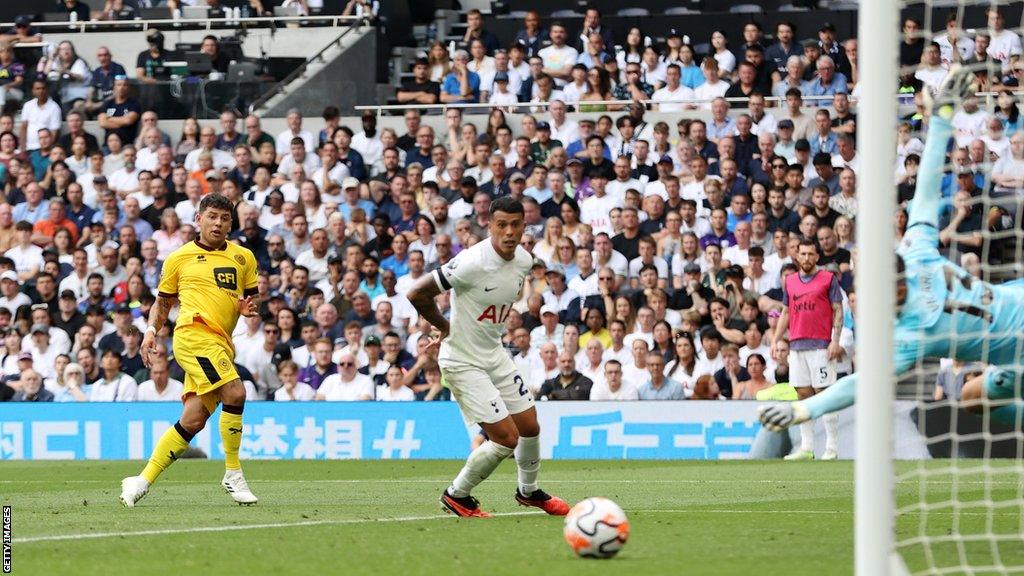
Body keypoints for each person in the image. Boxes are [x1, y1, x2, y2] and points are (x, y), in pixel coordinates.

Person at [762, 68, 1024, 439]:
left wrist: (805, 408)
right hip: (1016, 315)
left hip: (1018, 340)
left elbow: (859, 386)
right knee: (970, 398)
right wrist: (944, 116)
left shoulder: (911, 330)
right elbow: (930, 178)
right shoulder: (915, 254)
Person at [407, 196, 569, 518]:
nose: (509, 232)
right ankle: (457, 494)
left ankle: (529, 491)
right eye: (502, 225)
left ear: (524, 226)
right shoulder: (472, 262)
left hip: (494, 354)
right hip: (462, 361)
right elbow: (417, 293)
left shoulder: (524, 260)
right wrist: (444, 326)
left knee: (530, 425)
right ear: (490, 226)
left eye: (515, 225)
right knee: (506, 438)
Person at [119, 194, 260, 508]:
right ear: (199, 219)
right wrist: (151, 331)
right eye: (212, 217)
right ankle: (233, 473)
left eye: (225, 218)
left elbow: (251, 299)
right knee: (236, 393)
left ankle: (140, 481)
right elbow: (163, 302)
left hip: (222, 343)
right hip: (193, 337)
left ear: (231, 223)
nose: (218, 223)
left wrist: (248, 308)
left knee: (193, 421)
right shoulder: (179, 258)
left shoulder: (243, 258)